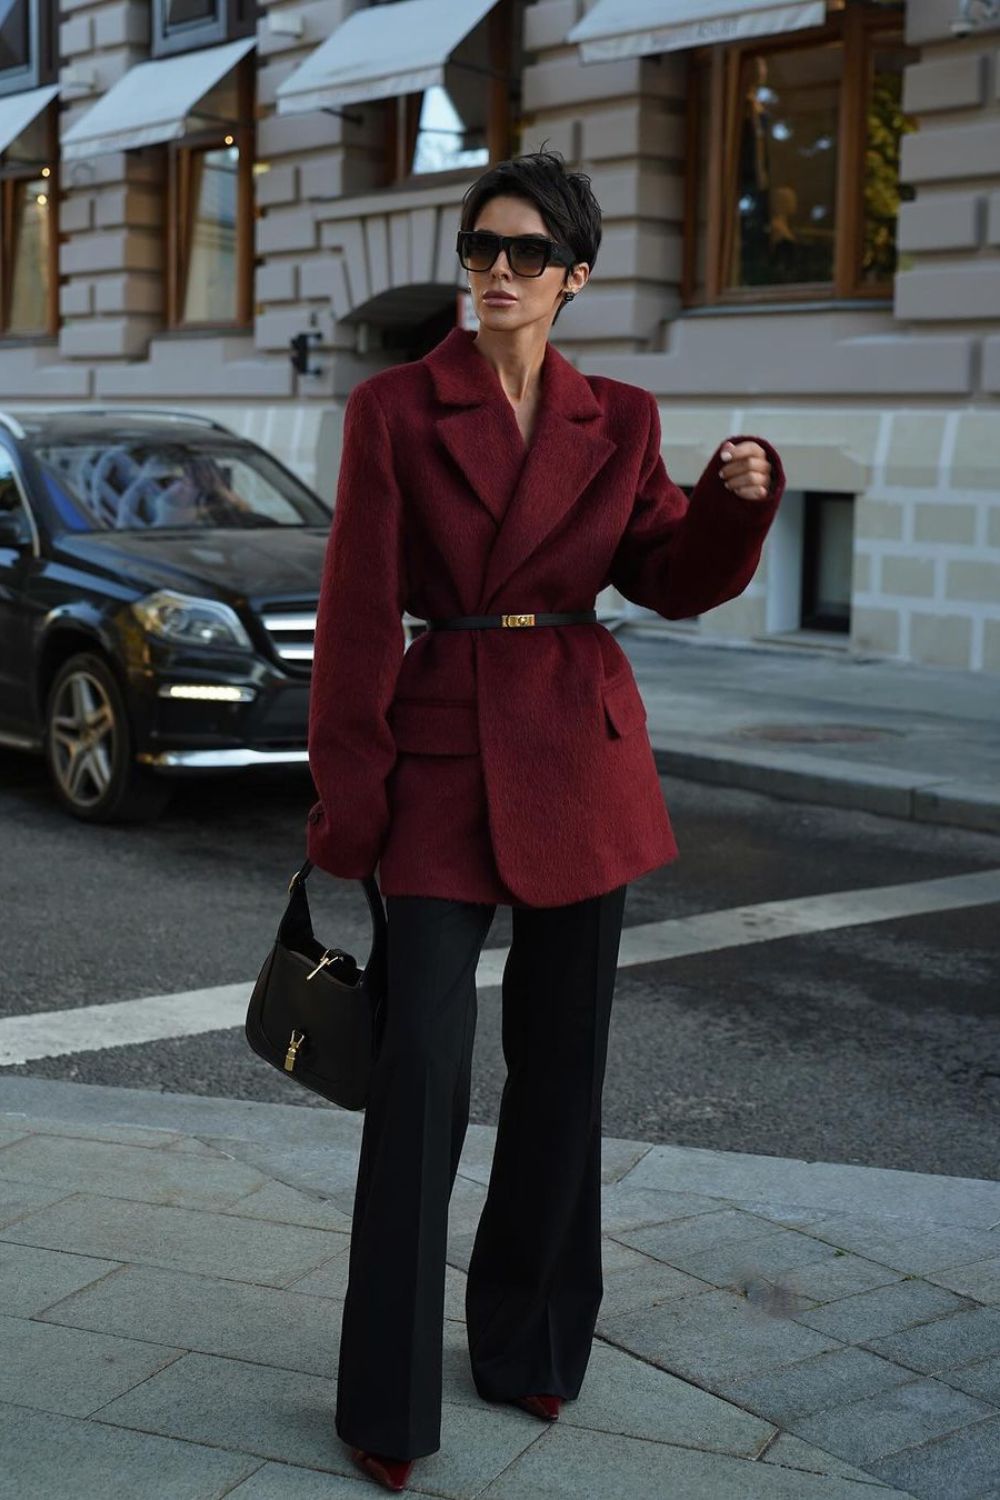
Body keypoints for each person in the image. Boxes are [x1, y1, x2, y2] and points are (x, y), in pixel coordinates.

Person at [305, 149, 785, 1493]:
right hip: (442, 752)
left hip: (581, 752)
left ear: (574, 276)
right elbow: (354, 614)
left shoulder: (618, 419)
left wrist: (739, 506)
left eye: (523, 255)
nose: (496, 274)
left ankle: (532, 1346)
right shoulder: (396, 410)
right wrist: (350, 799)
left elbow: (670, 577)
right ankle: (386, 1405)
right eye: (480, 252)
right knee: (420, 1082)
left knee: (561, 1081)